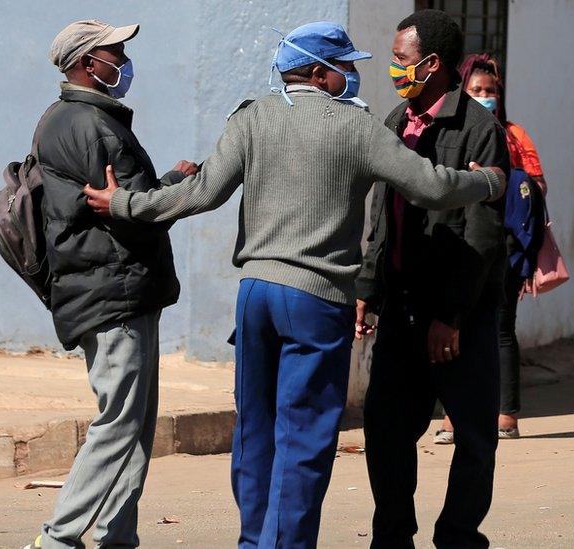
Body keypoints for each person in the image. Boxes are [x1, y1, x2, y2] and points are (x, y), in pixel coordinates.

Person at [82, 21, 506, 549]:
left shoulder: (252, 117)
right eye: (346, 66)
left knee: (255, 433)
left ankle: (254, 539)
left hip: (256, 295)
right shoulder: (359, 127)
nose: (354, 75)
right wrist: (488, 181)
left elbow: (199, 193)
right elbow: (430, 185)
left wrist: (124, 204)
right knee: (302, 439)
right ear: (321, 72)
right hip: (316, 301)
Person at [22, 20, 198, 549]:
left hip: (116, 286)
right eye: (113, 53)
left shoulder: (78, 118)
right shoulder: (88, 125)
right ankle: (59, 538)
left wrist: (160, 186)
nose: (122, 61)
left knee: (134, 426)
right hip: (112, 290)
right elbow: (131, 210)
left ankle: (116, 537)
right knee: (119, 423)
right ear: (84, 63)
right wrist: (177, 184)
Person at [355, 10, 510, 548]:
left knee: (473, 435)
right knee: (386, 428)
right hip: (400, 305)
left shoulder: (479, 131)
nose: (394, 68)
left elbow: (482, 235)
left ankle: (459, 537)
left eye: (401, 59)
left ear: (433, 63)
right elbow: (382, 211)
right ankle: (393, 536)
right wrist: (368, 289)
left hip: (456, 312)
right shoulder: (397, 120)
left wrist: (451, 316)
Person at [432, 52, 546, 444]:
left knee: (499, 331)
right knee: (454, 326)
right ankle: (452, 416)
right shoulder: (449, 132)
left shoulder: (514, 135)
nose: (485, 95)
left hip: (506, 248)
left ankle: (505, 414)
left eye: (491, 90)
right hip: (458, 243)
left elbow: (537, 192)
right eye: (477, 89)